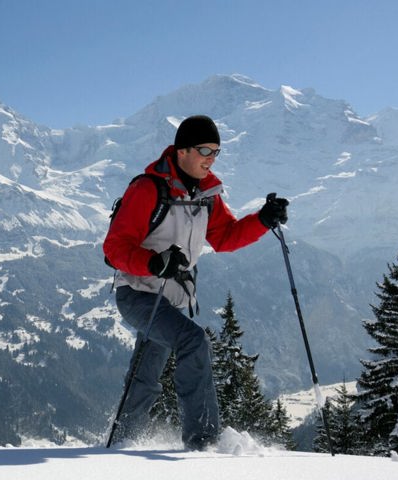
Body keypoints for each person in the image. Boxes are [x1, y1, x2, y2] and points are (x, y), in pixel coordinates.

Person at [102, 114, 288, 450]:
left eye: (216, 152)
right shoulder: (147, 189)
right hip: (137, 294)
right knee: (193, 341)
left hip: (170, 299)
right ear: (182, 150)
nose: (210, 158)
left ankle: (120, 442)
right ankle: (204, 443)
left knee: (145, 376)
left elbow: (226, 237)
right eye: (204, 150)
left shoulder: (207, 195)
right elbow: (114, 248)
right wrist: (154, 262)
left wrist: (262, 220)